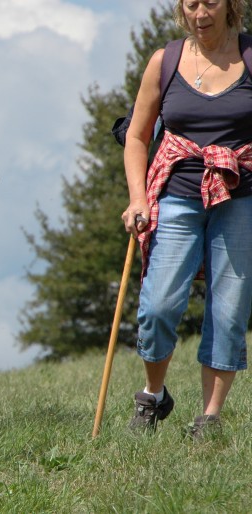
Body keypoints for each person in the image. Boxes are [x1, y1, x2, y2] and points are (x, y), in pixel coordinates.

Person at [122, 0, 252, 439]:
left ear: (231, 5)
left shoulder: (250, 57)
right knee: (158, 306)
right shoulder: (166, 61)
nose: (201, 12)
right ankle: (154, 397)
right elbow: (138, 136)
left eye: (210, 1)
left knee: (228, 312)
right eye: (191, 3)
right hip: (177, 195)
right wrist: (138, 198)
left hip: (240, 197)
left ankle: (209, 418)